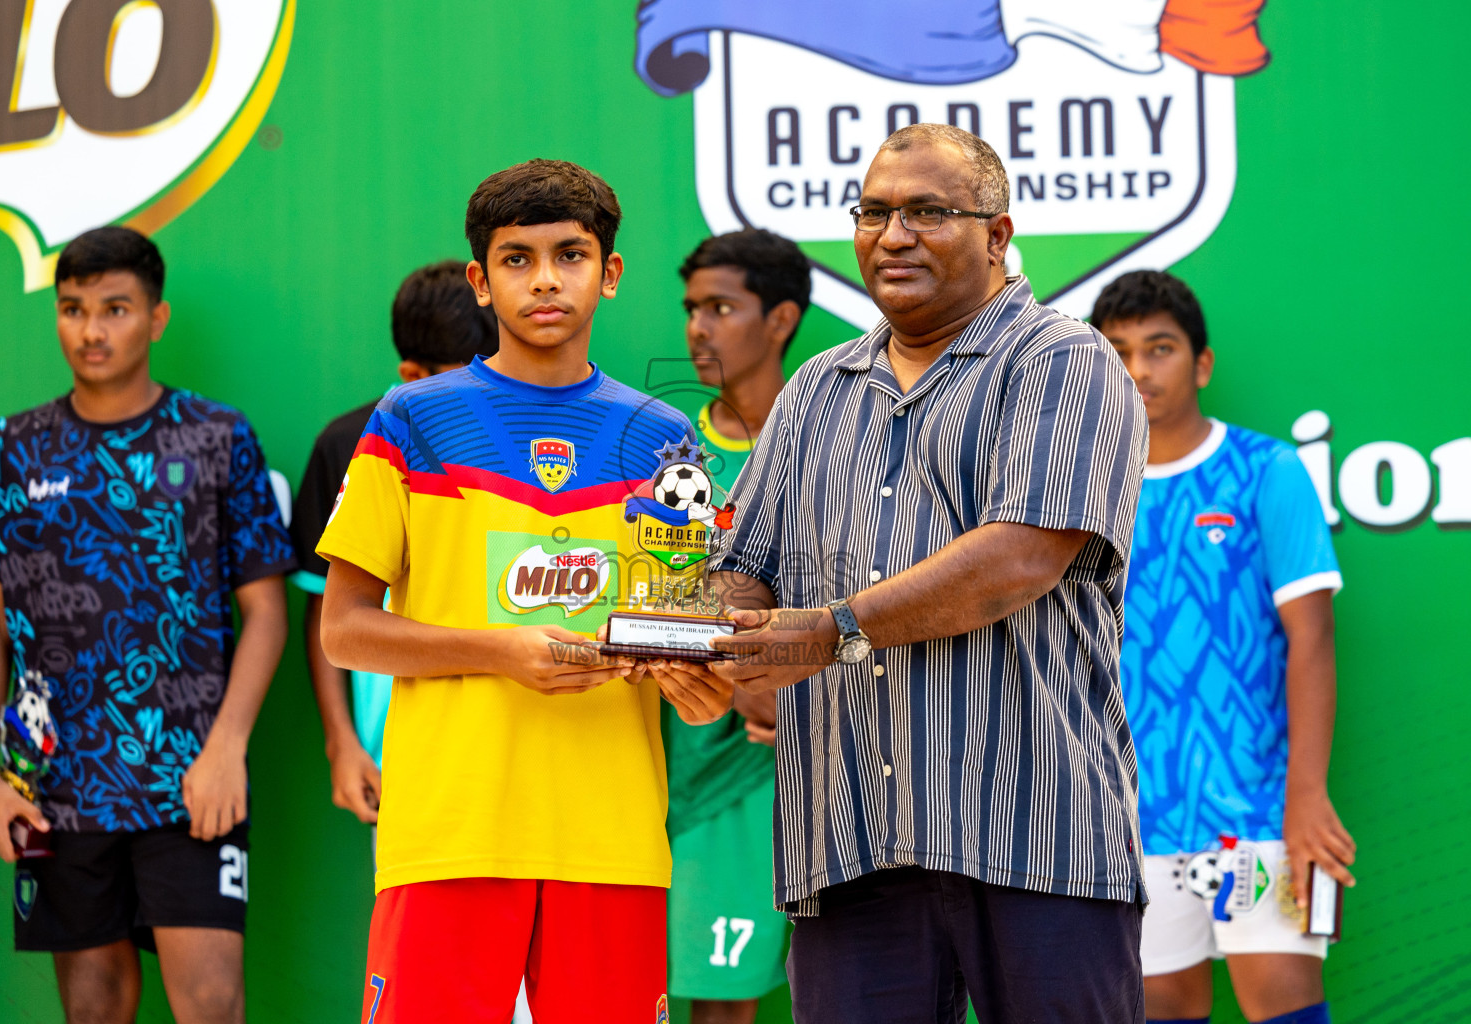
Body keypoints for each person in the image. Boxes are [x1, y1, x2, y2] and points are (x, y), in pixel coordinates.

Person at [697, 123, 1150, 1022]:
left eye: (927, 212)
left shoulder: (1063, 361)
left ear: (998, 234)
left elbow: (1017, 557)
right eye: (873, 212)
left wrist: (827, 631)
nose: (892, 235)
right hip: (850, 846)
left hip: (1037, 837)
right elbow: (738, 568)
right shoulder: (818, 389)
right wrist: (716, 645)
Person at [316, 159, 733, 1024]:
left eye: (570, 255)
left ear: (609, 273)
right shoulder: (409, 420)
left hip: (611, 841)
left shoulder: (662, 439)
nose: (545, 279)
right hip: (449, 836)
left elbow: (681, 648)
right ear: (481, 279)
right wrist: (499, 652)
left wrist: (702, 682)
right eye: (517, 259)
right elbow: (346, 631)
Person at [0, 226, 293, 1023]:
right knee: (92, 1005)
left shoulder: (217, 437)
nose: (92, 329)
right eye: (73, 309)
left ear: (157, 316)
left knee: (212, 1001)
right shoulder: (10, 447)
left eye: (115, 308)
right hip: (48, 787)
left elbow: (268, 612)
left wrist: (227, 748)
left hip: (193, 781)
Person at [1093, 270, 1355, 1024]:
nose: (1139, 370)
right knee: (1161, 1008)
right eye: (1118, 352)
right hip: (1129, 820)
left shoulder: (1265, 470)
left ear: (1201, 364)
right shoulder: (1083, 495)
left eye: (1160, 348)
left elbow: (1312, 639)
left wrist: (1306, 799)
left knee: (1284, 1005)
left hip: (1262, 814)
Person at [289, 260, 497, 826]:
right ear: (411, 373)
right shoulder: (347, 446)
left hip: (515, 743)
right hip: (399, 755)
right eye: (463, 383)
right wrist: (343, 743)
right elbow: (325, 610)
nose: (486, 397)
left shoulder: (537, 450)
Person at [662, 229, 809, 1023]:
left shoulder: (836, 440)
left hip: (792, 767)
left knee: (744, 1000)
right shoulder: (664, 447)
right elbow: (638, 598)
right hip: (671, 759)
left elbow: (880, 599)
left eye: (722, 308)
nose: (698, 328)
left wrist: (795, 699)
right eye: (692, 309)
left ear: (780, 319)